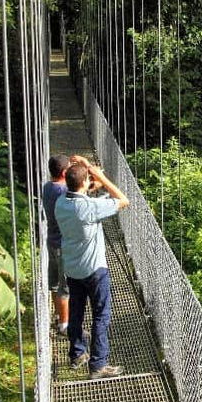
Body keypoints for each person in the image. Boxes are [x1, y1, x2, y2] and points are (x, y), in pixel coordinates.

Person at [52, 154, 130, 379]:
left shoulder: (61, 202)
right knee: (101, 316)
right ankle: (98, 365)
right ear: (85, 183)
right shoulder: (91, 208)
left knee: (76, 313)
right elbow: (123, 200)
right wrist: (100, 176)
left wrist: (87, 172)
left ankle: (77, 354)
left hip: (72, 268)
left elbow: (81, 192)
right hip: (95, 271)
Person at [41, 154, 71, 335]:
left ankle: (59, 318)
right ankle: (65, 325)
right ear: (65, 172)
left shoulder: (47, 187)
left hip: (51, 241)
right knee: (65, 287)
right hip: (63, 245)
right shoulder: (63, 192)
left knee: (54, 284)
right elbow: (76, 195)